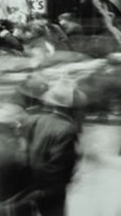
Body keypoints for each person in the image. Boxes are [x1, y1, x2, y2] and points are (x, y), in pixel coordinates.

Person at [25, 78, 83, 216]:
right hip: (52, 189)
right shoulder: (67, 129)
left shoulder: (34, 120)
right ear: (70, 108)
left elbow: (25, 151)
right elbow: (59, 165)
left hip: (29, 184)